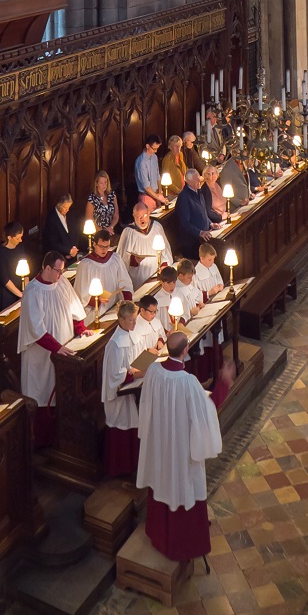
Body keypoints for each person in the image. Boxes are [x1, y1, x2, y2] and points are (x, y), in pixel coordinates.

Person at [136, 328, 222, 562]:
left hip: (160, 442)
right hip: (181, 447)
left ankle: (159, 535)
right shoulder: (189, 382)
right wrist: (222, 387)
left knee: (162, 480)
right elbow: (203, 413)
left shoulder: (153, 371)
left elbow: (145, 404)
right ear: (186, 350)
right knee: (183, 485)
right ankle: (184, 543)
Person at [17, 252, 86, 449]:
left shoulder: (62, 283)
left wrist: (81, 329)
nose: (61, 274)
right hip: (42, 356)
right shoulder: (33, 292)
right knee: (43, 392)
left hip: (62, 350)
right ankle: (43, 445)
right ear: (47, 268)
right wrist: (57, 348)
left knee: (61, 393)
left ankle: (61, 439)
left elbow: (74, 307)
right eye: (58, 270)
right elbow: (36, 330)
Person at [101, 301, 144, 479]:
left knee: (132, 424)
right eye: (131, 320)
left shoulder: (129, 334)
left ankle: (132, 464)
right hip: (118, 395)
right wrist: (134, 373)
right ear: (121, 319)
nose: (135, 323)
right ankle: (120, 469)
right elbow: (114, 375)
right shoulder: (115, 344)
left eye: (135, 319)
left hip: (130, 390)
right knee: (122, 427)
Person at [117, 196, 167, 289]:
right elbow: (121, 261)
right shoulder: (128, 233)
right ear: (133, 216)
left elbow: (166, 252)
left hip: (157, 276)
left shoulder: (156, 227)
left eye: (144, 215)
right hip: (139, 280)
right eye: (138, 216)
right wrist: (134, 260)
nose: (142, 219)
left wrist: (164, 266)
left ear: (148, 213)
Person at [173, 166, 220, 259]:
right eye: (196, 180)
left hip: (204, 238)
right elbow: (184, 223)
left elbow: (203, 212)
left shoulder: (199, 191)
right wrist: (200, 232)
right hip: (192, 243)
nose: (199, 181)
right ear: (188, 182)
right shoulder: (184, 197)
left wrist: (210, 224)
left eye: (199, 178)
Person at [80, 227, 132, 311]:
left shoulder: (115, 258)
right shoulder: (86, 264)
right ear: (94, 244)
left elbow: (124, 281)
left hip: (114, 306)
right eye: (101, 246)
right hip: (96, 310)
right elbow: (81, 292)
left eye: (107, 246)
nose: (104, 250)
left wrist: (127, 298)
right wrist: (97, 299)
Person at [42, 191, 82, 265]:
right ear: (59, 205)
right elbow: (53, 242)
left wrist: (74, 249)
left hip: (73, 255)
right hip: (60, 257)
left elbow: (76, 233)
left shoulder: (71, 213)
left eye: (68, 207)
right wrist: (68, 251)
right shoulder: (51, 218)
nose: (67, 210)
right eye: (65, 207)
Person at [0, 221, 28, 304]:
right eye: (18, 238)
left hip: (21, 286)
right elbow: (4, 279)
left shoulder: (20, 247)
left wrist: (27, 290)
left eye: (21, 237)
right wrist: (20, 294)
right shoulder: (1, 252)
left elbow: (26, 268)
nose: (20, 240)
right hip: (8, 291)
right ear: (9, 237)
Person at [86, 169, 120, 239]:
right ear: (96, 183)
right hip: (98, 233)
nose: (104, 185)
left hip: (111, 231)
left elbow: (116, 215)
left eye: (105, 182)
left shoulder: (112, 195)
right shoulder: (92, 199)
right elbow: (89, 219)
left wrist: (111, 227)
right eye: (101, 183)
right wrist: (101, 230)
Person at [134, 138, 163, 203]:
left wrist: (160, 192)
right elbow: (146, 187)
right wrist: (159, 198)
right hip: (146, 197)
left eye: (157, 148)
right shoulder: (141, 162)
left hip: (156, 194)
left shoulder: (154, 157)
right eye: (154, 149)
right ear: (147, 146)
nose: (156, 151)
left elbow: (157, 176)